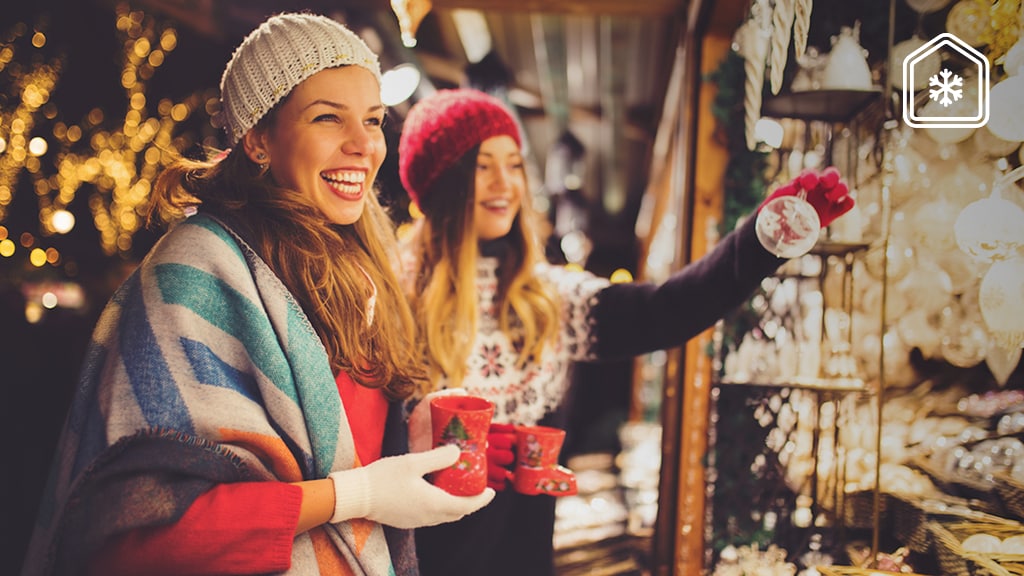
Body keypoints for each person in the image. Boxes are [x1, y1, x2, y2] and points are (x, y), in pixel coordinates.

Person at [20, 14, 493, 576]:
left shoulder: (362, 268)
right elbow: (141, 534)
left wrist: (420, 438)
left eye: (373, 119)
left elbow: (350, 440)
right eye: (327, 118)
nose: (363, 144)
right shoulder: (193, 275)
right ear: (258, 139)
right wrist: (358, 495)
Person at [395, 88, 855, 576]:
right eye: (482, 165)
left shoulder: (546, 296)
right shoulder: (392, 295)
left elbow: (662, 311)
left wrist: (759, 242)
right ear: (442, 180)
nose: (504, 183)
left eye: (514, 165)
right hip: (420, 561)